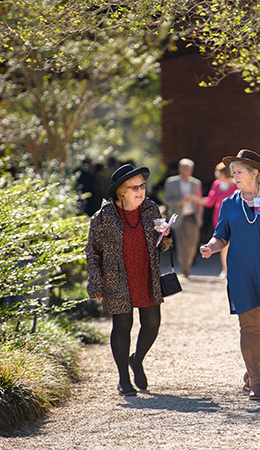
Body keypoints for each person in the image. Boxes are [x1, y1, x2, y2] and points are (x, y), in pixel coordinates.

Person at [199, 149, 260, 400]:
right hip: (241, 272)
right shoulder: (229, 203)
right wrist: (210, 246)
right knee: (248, 327)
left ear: (255, 174)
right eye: (233, 172)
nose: (235, 176)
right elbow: (221, 236)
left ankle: (251, 373)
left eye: (239, 172)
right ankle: (258, 382)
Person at [85, 164, 173, 397]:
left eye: (142, 185)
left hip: (146, 274)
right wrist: (95, 282)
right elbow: (92, 251)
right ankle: (123, 378)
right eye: (134, 187)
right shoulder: (103, 216)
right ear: (121, 192)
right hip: (116, 277)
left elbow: (162, 246)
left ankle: (137, 359)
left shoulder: (151, 209)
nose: (140, 190)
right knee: (122, 326)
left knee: (153, 323)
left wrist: (166, 236)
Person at [163, 158, 204, 278]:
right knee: (181, 244)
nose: (189, 171)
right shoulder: (171, 182)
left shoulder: (196, 183)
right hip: (178, 217)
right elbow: (166, 199)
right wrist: (178, 202)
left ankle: (188, 264)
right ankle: (185, 269)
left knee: (192, 243)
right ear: (180, 169)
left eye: (191, 169)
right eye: (186, 169)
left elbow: (200, 201)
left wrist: (196, 202)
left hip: (192, 216)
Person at [204, 162, 237, 278]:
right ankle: (225, 269)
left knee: (235, 243)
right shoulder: (217, 184)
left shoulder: (236, 185)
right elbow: (210, 201)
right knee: (223, 243)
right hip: (219, 217)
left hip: (234, 217)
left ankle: (234, 268)